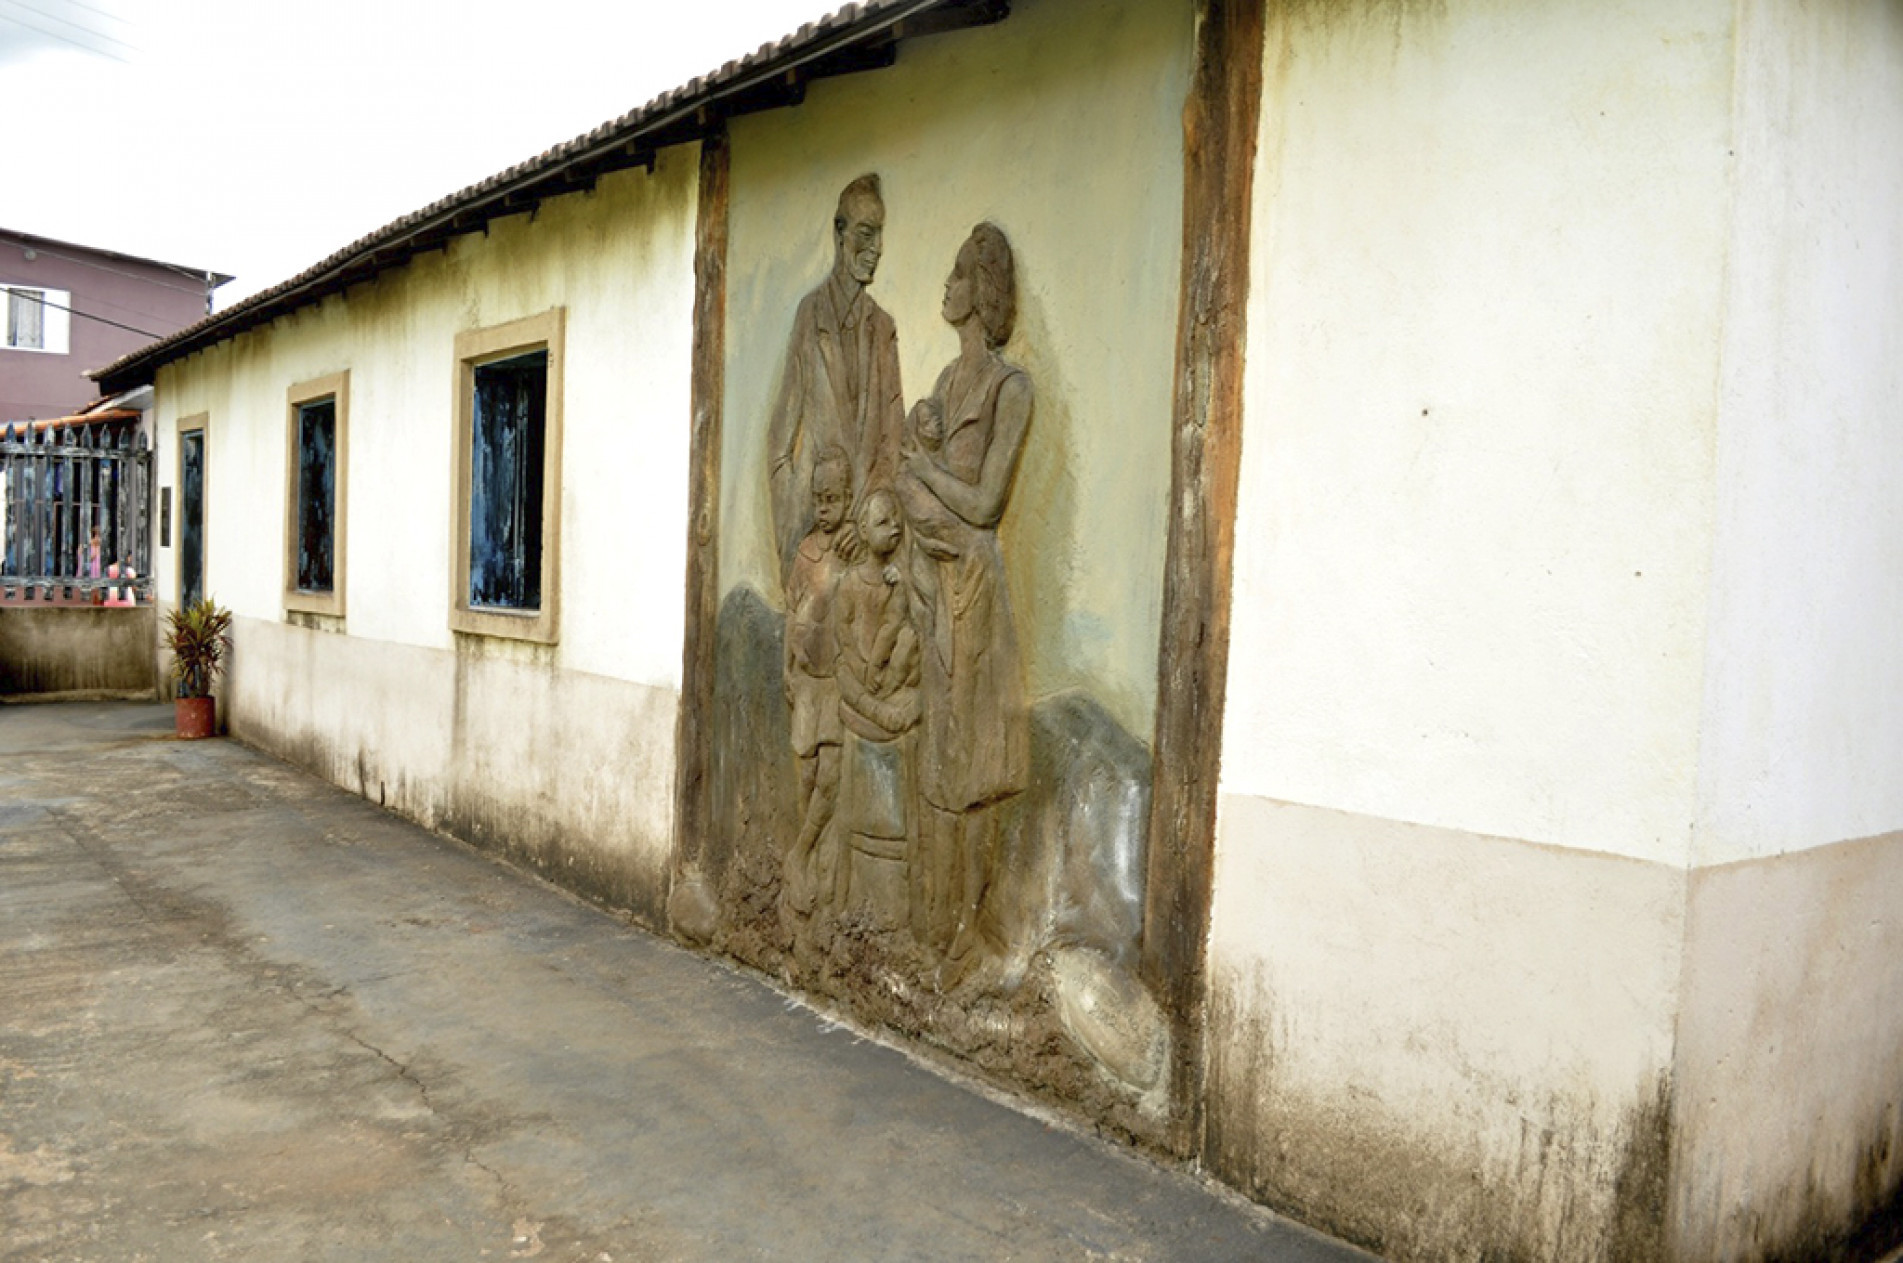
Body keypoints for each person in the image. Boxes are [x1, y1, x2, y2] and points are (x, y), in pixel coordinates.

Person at [898, 223, 1034, 970]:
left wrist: (920, 472)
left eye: (954, 277)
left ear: (979, 293)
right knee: (942, 762)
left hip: (974, 585)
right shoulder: (947, 387)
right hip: (936, 578)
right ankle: (944, 922)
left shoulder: (1010, 389)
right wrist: (914, 467)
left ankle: (975, 931)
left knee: (976, 765)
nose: (943, 289)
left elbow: (982, 504)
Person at [766, 174, 905, 579]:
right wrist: (791, 537)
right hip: (814, 534)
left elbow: (892, 439)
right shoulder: (810, 316)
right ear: (839, 231)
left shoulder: (883, 328)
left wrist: (867, 521)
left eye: (880, 235)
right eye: (866, 234)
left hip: (863, 543)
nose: (876, 249)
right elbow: (780, 440)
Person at [782, 450, 851, 912]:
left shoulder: (852, 550)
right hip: (807, 681)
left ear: (848, 499)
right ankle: (805, 856)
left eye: (833, 499)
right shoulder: (805, 553)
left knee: (830, 778)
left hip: (836, 684)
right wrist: (787, 665)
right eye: (818, 498)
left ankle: (804, 853)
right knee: (807, 774)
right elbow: (792, 611)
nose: (824, 507)